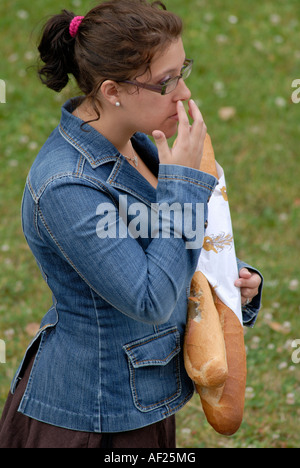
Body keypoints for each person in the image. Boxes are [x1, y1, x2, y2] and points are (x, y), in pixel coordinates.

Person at [0, 0, 262, 448]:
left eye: (183, 72)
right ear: (112, 90)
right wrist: (183, 187)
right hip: (91, 415)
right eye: (166, 82)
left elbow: (164, 251)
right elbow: (150, 298)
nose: (184, 95)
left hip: (143, 400)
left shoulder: (137, 143)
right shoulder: (68, 186)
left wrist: (229, 282)